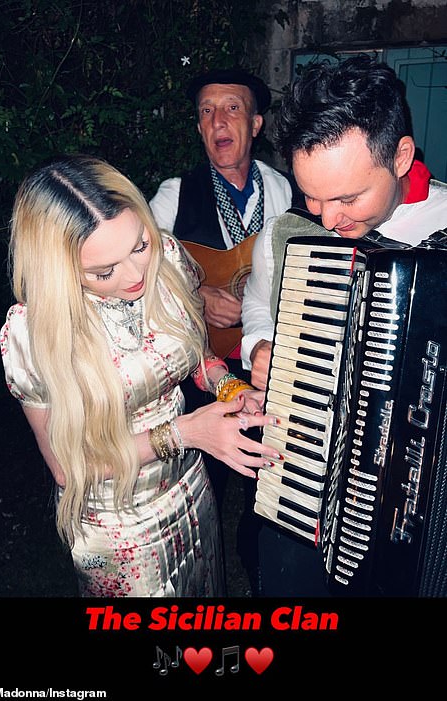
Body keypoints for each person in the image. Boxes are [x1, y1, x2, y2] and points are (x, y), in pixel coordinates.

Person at [0, 154, 282, 598]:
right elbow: (67, 470)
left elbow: (194, 352)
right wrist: (185, 433)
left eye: (138, 246)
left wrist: (228, 385)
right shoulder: (33, 333)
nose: (136, 276)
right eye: (104, 272)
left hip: (191, 488)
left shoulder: (166, 255)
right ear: (59, 269)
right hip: (119, 526)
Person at [241, 53, 447, 596]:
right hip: (307, 488)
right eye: (312, 195)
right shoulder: (289, 227)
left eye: (348, 198)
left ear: (400, 156)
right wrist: (259, 345)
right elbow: (258, 306)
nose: (328, 219)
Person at [149, 67, 294, 594]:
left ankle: (264, 571)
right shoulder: (172, 195)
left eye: (232, 108)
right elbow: (136, 271)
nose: (218, 120)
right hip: (200, 368)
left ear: (255, 123)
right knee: (203, 480)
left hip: (265, 358)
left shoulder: (283, 190)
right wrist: (195, 295)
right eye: (207, 111)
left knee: (271, 479)